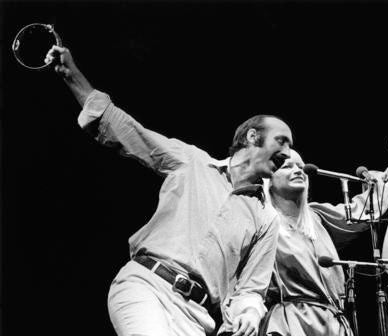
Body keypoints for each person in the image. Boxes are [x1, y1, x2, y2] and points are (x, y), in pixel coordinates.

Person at [45, 45, 293, 336]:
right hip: (148, 287)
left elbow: (251, 288)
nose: (289, 153)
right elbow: (127, 132)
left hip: (196, 319)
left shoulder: (266, 219)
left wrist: (250, 312)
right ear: (253, 136)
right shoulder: (193, 162)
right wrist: (72, 75)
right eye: (282, 141)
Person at [258, 127, 388, 336]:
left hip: (332, 321)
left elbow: (363, 211)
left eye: (301, 167)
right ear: (268, 178)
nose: (298, 170)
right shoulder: (261, 220)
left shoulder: (316, 216)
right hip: (290, 322)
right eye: (287, 166)